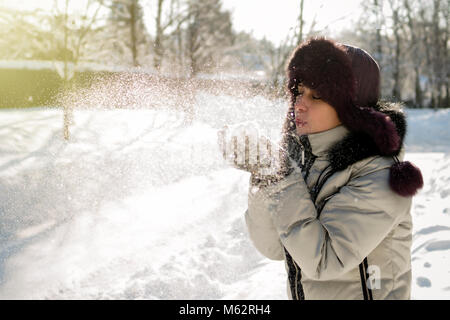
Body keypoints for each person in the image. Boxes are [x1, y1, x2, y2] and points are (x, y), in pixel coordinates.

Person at [244, 37, 424, 300]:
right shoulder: (307, 163)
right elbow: (274, 247)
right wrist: (266, 177)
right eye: (297, 91)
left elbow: (324, 260)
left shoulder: (379, 175)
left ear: (351, 106)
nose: (299, 104)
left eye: (316, 95)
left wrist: (281, 179)